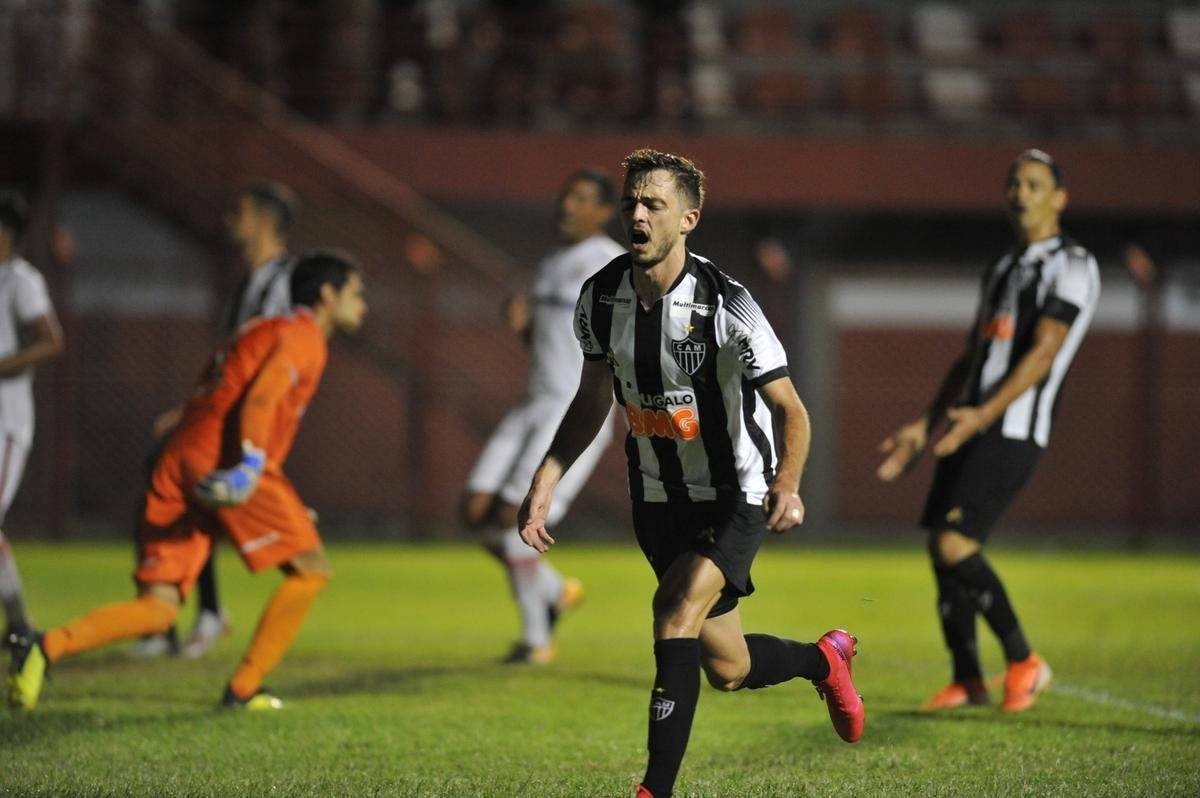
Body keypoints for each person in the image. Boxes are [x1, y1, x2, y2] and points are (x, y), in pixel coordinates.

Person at [518, 149, 864, 798]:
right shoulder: (601, 297)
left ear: (688, 219)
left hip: (737, 493)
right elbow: (593, 397)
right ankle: (826, 660)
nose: (638, 215)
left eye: (654, 204)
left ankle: (654, 790)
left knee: (673, 612)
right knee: (728, 668)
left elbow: (793, 411)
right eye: (632, 204)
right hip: (656, 497)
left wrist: (787, 486)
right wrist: (547, 476)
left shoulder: (726, 304)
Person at [7, 251, 367, 711]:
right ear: (327, 295)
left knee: (159, 607)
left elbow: (218, 397)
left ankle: (44, 646)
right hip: (223, 459)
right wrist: (251, 468)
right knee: (311, 568)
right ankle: (244, 688)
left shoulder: (257, 329)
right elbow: (261, 400)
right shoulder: (304, 336)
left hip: (181, 457)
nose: (363, 305)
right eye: (356, 294)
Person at [876, 148, 1100, 713]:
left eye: (1034, 184)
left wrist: (985, 414)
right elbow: (972, 356)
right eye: (1014, 184)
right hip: (969, 421)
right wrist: (923, 426)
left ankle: (1025, 660)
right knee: (939, 547)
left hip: (1014, 425)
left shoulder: (1073, 264)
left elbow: (1045, 351)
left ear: (1059, 198)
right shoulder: (1003, 268)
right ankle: (969, 678)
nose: (1020, 193)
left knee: (957, 543)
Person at [462, 168, 624, 664]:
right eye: (564, 195)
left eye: (579, 199)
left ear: (603, 211)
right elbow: (548, 341)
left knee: (516, 523)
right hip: (532, 402)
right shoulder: (552, 263)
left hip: (571, 411)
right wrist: (523, 326)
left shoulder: (612, 263)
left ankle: (537, 640)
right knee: (474, 512)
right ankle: (554, 591)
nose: (566, 206)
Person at [135, 181, 299, 659]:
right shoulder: (247, 283)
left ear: (265, 222)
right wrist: (191, 412)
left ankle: (180, 615)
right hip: (223, 416)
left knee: (191, 495)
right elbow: (230, 363)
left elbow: (275, 361)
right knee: (179, 491)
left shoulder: (284, 283)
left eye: (241, 213)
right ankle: (180, 614)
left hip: (252, 421)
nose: (232, 221)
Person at [0, 192, 65, 645]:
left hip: (5, 421)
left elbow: (51, 341)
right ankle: (20, 625)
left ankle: (21, 625)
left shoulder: (20, 280)